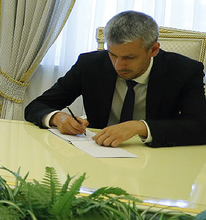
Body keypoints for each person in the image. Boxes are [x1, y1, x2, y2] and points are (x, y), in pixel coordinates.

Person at [24, 10, 206, 147]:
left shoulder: (184, 71)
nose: (119, 65)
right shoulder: (90, 65)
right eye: (113, 55)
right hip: (98, 154)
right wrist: (58, 118)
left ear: (153, 50)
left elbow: (200, 127)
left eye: (129, 57)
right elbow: (37, 106)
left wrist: (139, 127)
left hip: (158, 158)